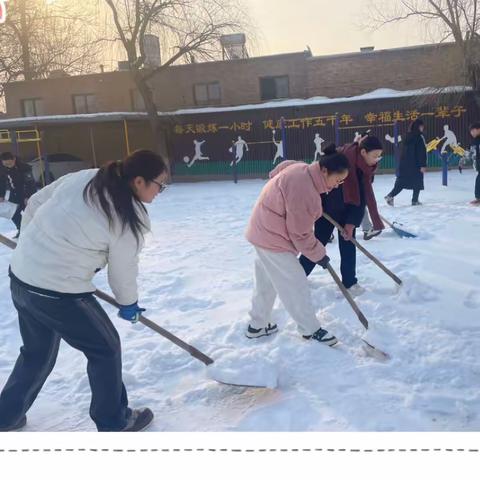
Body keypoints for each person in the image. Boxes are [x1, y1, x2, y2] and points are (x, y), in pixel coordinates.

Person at [0, 149, 168, 432]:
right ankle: (114, 420)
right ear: (139, 181)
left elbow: (35, 203)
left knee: (36, 352)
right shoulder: (130, 219)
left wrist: (31, 244)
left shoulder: (87, 177)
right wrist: (129, 303)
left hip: (22, 277)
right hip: (57, 291)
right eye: (159, 185)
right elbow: (122, 271)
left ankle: (6, 415)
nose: (161, 191)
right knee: (105, 348)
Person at [244, 149, 349, 346]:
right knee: (296, 282)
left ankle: (257, 326)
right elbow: (300, 233)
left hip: (262, 229)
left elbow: (280, 170)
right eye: (338, 179)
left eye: (342, 181)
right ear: (325, 170)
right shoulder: (305, 190)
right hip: (272, 237)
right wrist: (319, 254)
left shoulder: (302, 169)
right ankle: (310, 330)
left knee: (266, 281)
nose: (338, 184)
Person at [299, 138, 384, 295]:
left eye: (380, 156)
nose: (377, 160)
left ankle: (349, 282)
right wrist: (318, 205)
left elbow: (361, 199)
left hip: (348, 212)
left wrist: (351, 223)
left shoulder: (364, 168)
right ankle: (298, 276)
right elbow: (319, 181)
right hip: (325, 210)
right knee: (317, 243)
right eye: (375, 155)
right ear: (363, 152)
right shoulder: (342, 160)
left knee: (348, 244)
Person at [385, 119, 427, 206]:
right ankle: (414, 200)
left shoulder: (406, 136)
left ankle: (390, 195)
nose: (423, 128)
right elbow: (421, 152)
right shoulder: (419, 138)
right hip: (415, 164)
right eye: (422, 126)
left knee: (402, 181)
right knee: (417, 181)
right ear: (418, 127)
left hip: (404, 163)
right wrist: (423, 165)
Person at [0, 152, 37, 237]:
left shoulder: (24, 168)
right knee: (14, 214)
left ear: (14, 159)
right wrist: (1, 195)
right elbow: (1, 182)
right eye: (5, 164)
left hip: (25, 194)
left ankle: (35, 232)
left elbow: (30, 183)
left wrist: (28, 197)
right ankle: (21, 230)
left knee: (30, 214)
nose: (8, 165)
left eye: (9, 163)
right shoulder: (2, 168)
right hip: (14, 195)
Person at [468, 121, 480, 205]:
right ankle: (478, 198)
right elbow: (471, 152)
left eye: (473, 130)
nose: (472, 133)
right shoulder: (475, 140)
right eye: (471, 131)